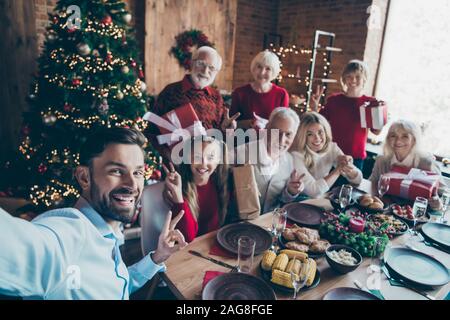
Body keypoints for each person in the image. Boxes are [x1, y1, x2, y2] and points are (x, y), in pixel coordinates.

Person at [0, 127, 187, 299]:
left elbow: (118, 286)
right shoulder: (69, 235)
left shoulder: (106, 232)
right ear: (84, 177)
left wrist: (157, 257)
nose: (132, 185)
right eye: (116, 171)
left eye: (137, 173)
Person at [145, 46, 239, 161]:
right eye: (201, 64)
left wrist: (227, 130)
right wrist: (170, 158)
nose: (205, 71)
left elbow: (223, 141)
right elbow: (152, 131)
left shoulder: (216, 96)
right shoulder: (170, 92)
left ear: (216, 72)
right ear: (191, 63)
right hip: (178, 162)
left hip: (208, 163)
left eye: (211, 68)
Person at [310, 59, 384, 171]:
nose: (353, 80)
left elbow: (376, 131)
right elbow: (320, 123)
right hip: (331, 154)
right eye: (349, 76)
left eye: (358, 76)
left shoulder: (370, 103)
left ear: (364, 79)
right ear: (344, 79)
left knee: (350, 188)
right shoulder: (334, 100)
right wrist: (314, 107)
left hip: (356, 158)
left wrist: (381, 118)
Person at [233, 107, 304, 213]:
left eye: (288, 134)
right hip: (239, 223)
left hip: (269, 222)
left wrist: (290, 191)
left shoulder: (289, 160)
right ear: (267, 128)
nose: (282, 140)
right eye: (277, 132)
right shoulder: (240, 153)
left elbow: (280, 200)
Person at [162, 136, 231, 242]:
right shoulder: (181, 187)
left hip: (215, 243)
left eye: (210, 157)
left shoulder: (222, 183)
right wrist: (178, 198)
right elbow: (187, 238)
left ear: (218, 161)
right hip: (190, 250)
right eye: (197, 157)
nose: (203, 164)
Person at [369, 120, 445, 210]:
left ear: (413, 140)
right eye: (393, 136)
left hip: (416, 214)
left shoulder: (426, 162)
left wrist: (439, 204)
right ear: (388, 139)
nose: (398, 141)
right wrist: (376, 200)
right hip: (387, 211)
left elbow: (444, 194)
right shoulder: (381, 159)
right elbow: (373, 181)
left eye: (405, 136)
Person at [291, 112, 362, 198]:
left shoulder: (331, 147)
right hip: (297, 200)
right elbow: (314, 191)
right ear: (302, 136)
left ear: (326, 131)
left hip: (319, 198)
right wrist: (339, 169)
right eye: (310, 134)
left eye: (320, 132)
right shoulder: (296, 155)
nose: (317, 138)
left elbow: (358, 180)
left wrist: (348, 165)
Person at [231, 50, 289, 130]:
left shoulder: (281, 94)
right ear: (253, 68)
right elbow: (230, 125)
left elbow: (283, 126)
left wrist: (266, 124)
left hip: (271, 141)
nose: (262, 72)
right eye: (259, 67)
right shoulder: (239, 93)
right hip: (243, 140)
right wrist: (248, 123)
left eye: (268, 69)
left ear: (274, 72)